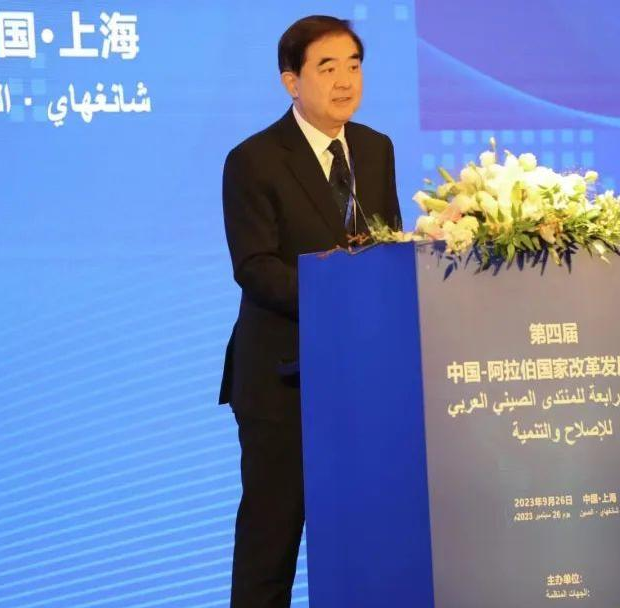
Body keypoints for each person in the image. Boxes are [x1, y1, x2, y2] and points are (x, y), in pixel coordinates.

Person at [218, 14, 402, 608]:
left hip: (360, 381)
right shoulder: (254, 159)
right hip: (284, 380)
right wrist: (339, 300)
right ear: (291, 81)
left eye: (354, 65)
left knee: (364, 540)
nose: (345, 80)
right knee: (271, 544)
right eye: (327, 68)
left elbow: (384, 247)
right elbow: (255, 267)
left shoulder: (375, 149)